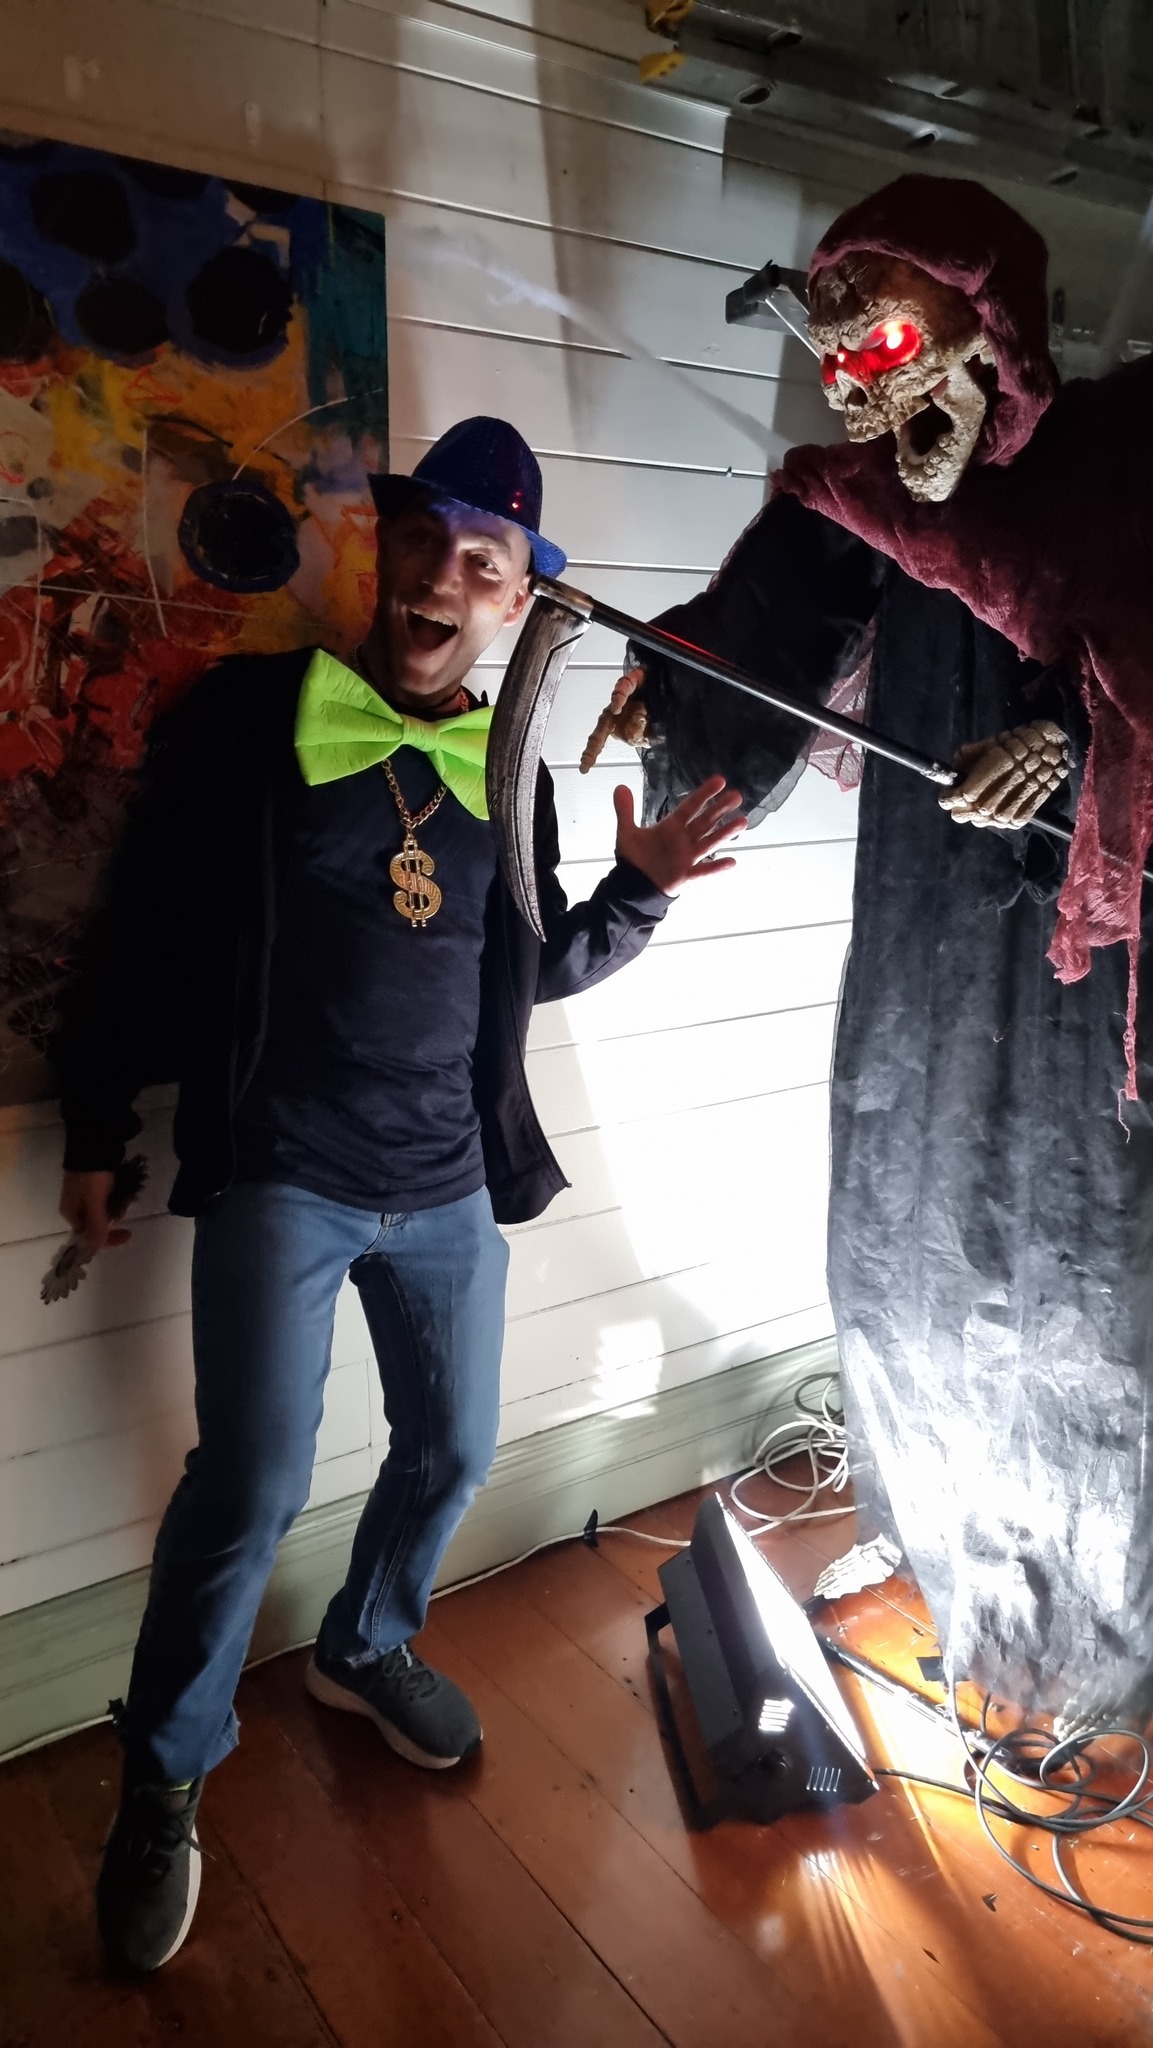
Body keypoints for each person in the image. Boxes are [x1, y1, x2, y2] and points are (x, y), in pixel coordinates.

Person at [53, 415, 746, 1973]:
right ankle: (164, 1778)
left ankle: (366, 1645)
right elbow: (144, 926)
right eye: (425, 542)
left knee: (452, 1450)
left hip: (442, 1182)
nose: (444, 578)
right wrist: (96, 1121)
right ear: (388, 552)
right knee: (250, 1481)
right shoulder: (253, 720)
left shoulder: (508, 772)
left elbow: (528, 968)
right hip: (284, 1171)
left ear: (517, 600)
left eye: (483, 563)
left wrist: (635, 897)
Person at [586, 179, 1153, 1736]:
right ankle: (933, 1529)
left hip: (1079, 951)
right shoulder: (863, 495)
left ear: (992, 330)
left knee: (1081, 1266)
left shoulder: (1118, 470)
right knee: (903, 1215)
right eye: (838, 365)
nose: (862, 394)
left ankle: (1097, 1606)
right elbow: (766, 621)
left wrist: (1063, 737)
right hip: (921, 923)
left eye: (891, 345)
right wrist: (675, 680)